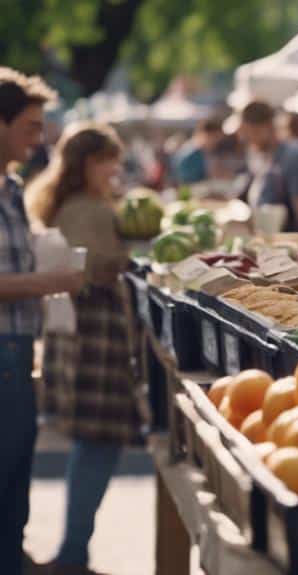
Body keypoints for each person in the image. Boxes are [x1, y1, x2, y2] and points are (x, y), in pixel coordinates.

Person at [25, 123, 143, 575]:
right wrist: (133, 250)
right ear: (86, 164)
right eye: (106, 160)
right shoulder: (85, 210)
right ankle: (73, 554)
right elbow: (91, 269)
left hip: (80, 328)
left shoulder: (76, 203)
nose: (114, 168)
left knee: (94, 440)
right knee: (98, 438)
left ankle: (74, 551)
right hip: (93, 329)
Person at [0, 67, 84, 575]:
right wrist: (50, 281)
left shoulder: (11, 189)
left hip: (17, 353)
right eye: (30, 126)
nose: (40, 137)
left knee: (14, 499)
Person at [239, 101, 298, 241]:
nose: (247, 141)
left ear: (264, 127)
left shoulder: (293, 156)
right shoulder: (267, 157)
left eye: (248, 134)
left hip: (293, 244)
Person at [172, 116, 223, 184]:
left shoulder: (202, 152)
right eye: (215, 137)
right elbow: (186, 183)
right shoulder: (190, 154)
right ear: (205, 135)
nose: (216, 142)